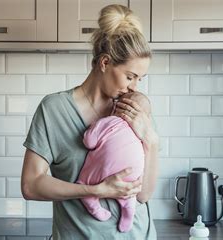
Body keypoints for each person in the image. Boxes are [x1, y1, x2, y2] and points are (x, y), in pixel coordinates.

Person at [21, 4, 159, 239]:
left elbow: (144, 195)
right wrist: (95, 190)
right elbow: (31, 185)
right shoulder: (54, 109)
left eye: (139, 79)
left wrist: (152, 140)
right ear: (105, 63)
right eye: (130, 76)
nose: (133, 87)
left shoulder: (134, 108)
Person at [76, 91, 151, 233]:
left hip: (104, 174)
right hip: (132, 177)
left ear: (116, 106)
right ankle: (128, 209)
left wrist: (92, 127)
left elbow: (89, 142)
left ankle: (93, 205)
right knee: (129, 195)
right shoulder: (141, 132)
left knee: (84, 183)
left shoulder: (108, 122)